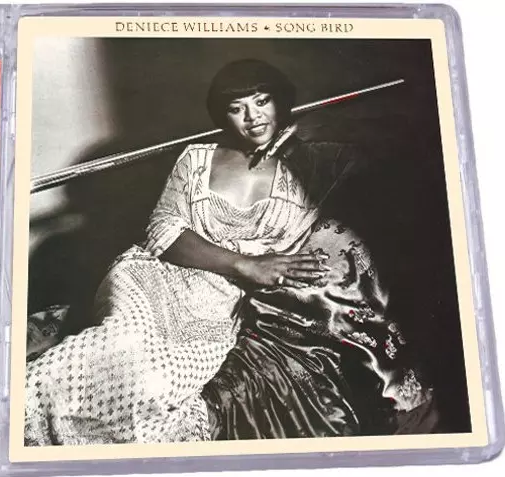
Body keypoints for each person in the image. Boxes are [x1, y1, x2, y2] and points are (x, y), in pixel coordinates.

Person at [24, 59, 435, 446]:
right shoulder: (196, 158)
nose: (252, 117)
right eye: (237, 108)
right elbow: (162, 232)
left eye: (262, 102)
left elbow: (395, 144)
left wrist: (316, 124)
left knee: (156, 385)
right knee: (114, 350)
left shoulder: (317, 163)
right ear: (223, 116)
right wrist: (246, 264)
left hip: (220, 302)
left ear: (282, 102)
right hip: (154, 278)